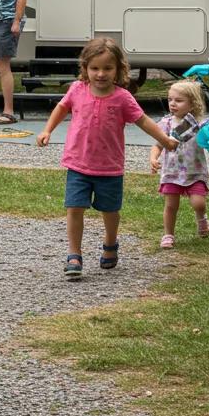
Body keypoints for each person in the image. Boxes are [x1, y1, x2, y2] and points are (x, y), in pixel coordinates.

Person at [36, 37, 178, 281]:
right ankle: (74, 254)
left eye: (107, 68)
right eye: (94, 68)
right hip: (78, 164)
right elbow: (62, 108)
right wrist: (47, 129)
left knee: (110, 210)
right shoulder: (76, 89)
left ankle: (110, 243)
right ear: (85, 68)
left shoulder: (122, 97)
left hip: (109, 167)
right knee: (74, 208)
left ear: (119, 70)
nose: (100, 74)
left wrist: (164, 140)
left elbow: (142, 120)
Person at [150, 80, 209, 248]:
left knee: (199, 203)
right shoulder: (166, 124)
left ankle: (202, 219)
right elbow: (158, 145)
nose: (172, 104)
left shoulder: (200, 126)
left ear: (192, 104)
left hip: (195, 172)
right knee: (170, 205)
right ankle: (168, 234)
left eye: (178, 100)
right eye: (170, 99)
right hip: (172, 173)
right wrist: (154, 158)